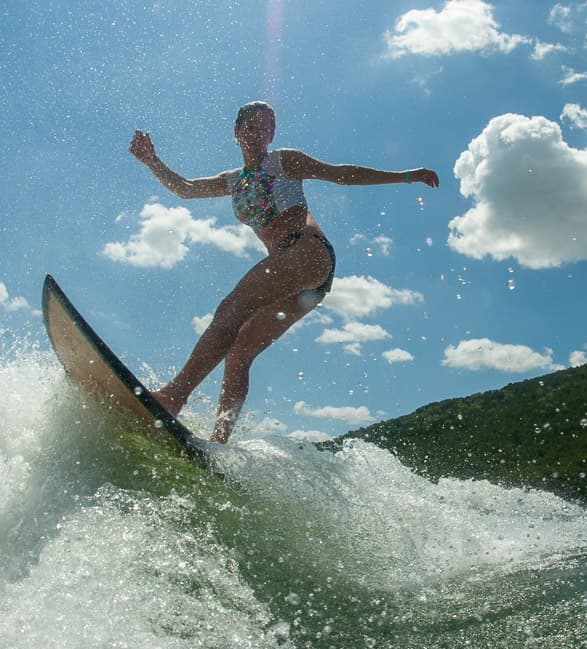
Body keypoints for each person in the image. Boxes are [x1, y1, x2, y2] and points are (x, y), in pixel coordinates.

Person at [128, 101, 439, 443]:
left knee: (232, 309)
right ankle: (218, 445)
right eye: (251, 126)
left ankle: (173, 396)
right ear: (237, 132)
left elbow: (340, 173)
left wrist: (406, 176)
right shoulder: (233, 181)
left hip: (308, 252)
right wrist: (152, 161)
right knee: (239, 352)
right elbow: (186, 188)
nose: (258, 133)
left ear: (272, 135)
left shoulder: (283, 161)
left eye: (266, 127)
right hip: (303, 281)